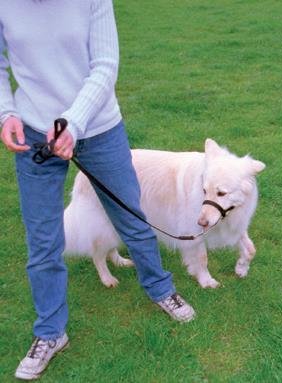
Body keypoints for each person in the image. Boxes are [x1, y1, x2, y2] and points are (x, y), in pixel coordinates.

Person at [0, 1, 195, 380]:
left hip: (99, 130)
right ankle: (51, 332)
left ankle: (160, 288)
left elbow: (104, 66)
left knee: (132, 217)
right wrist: (5, 112)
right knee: (42, 240)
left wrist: (73, 123)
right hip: (33, 133)